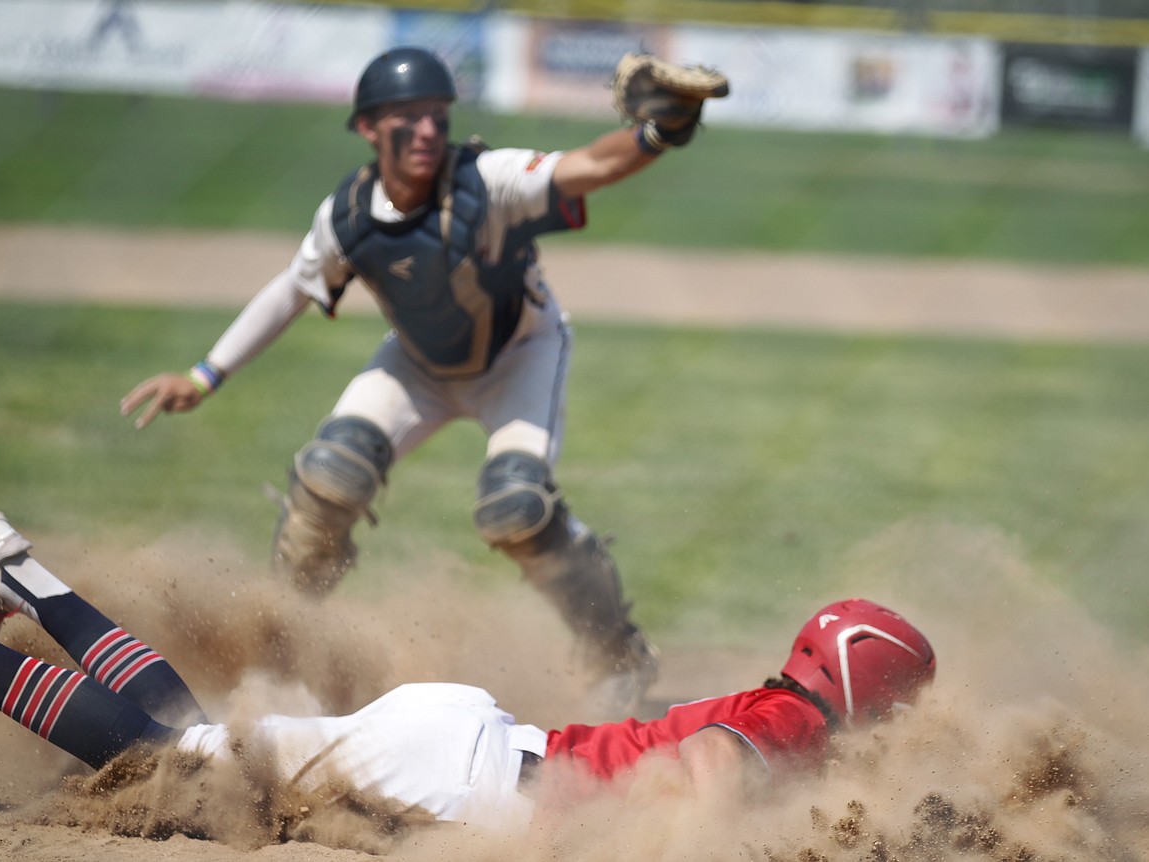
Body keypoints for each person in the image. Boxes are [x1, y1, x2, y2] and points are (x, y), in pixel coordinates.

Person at [118, 47, 726, 718]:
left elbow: (592, 165)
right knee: (328, 478)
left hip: (518, 355)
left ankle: (619, 654)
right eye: (408, 117)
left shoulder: (487, 180)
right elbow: (292, 288)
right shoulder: (348, 214)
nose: (429, 131)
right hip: (416, 366)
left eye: (438, 115)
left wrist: (656, 134)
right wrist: (204, 376)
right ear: (368, 129)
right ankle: (281, 655)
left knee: (516, 507)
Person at [0, 510, 936, 832]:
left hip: (471, 750)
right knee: (165, 761)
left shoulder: (784, 709)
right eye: (901, 709)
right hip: (465, 773)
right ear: (866, 693)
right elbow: (719, 765)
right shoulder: (797, 723)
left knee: (187, 732)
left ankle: (13, 569)